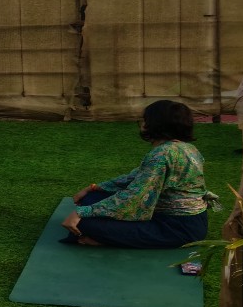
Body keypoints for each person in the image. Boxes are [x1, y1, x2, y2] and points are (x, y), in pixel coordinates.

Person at [61, 99, 219, 249]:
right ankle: (110, 235)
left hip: (177, 229)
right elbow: (133, 177)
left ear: (157, 123)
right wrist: (93, 188)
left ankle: (105, 240)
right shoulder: (188, 148)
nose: (142, 123)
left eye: (145, 119)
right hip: (192, 222)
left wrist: (82, 212)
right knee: (91, 198)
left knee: (85, 223)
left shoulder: (162, 154)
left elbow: (135, 196)